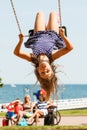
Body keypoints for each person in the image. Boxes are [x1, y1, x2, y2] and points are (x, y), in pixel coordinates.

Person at [14, 11, 74, 100]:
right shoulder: (52, 56)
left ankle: (45, 25)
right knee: (52, 13)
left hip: (38, 34)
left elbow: (17, 53)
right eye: (47, 71)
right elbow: (70, 48)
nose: (44, 70)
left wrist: (20, 41)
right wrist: (63, 36)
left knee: (40, 13)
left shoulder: (33, 58)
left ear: (38, 70)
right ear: (52, 70)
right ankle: (55, 20)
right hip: (53, 35)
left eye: (42, 72)